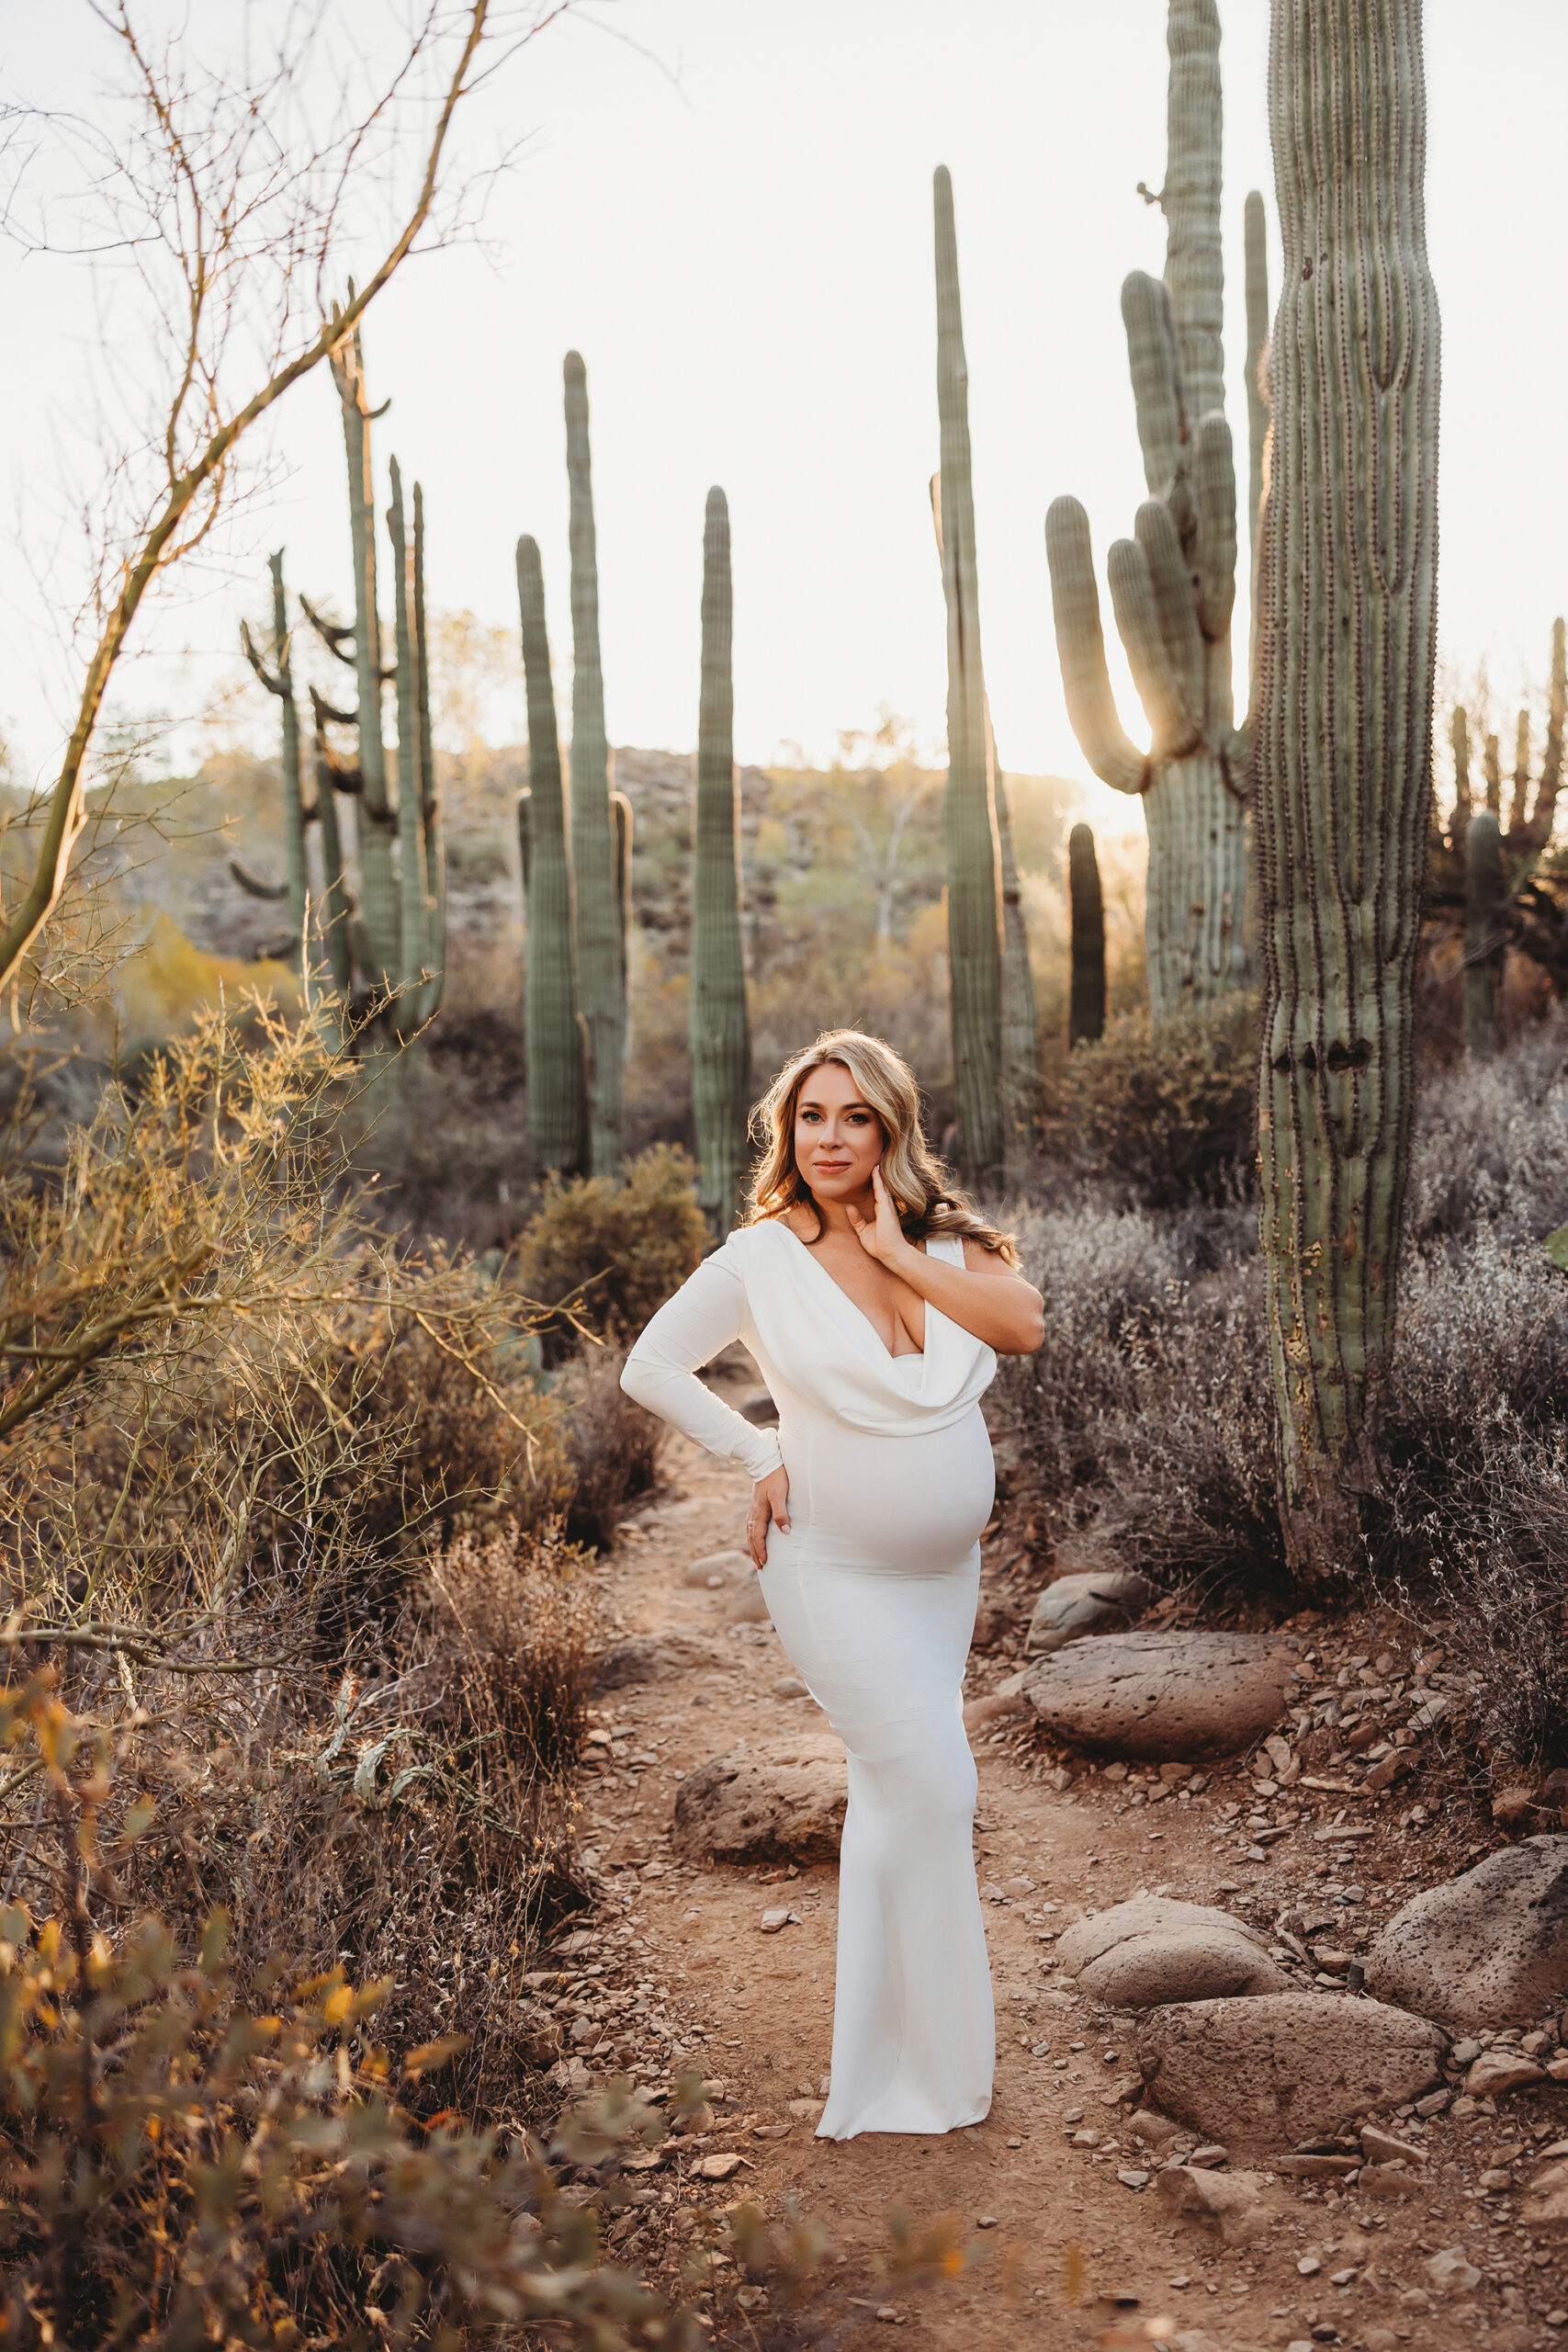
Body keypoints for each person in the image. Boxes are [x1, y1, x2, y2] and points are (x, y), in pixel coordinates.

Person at [620, 1029, 1043, 2141]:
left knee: (899, 1800)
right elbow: (649, 1365)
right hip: (832, 1567)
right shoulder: (758, 1256)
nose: (830, 1137)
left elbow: (1026, 1325)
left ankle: (903, 2070)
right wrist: (759, 1454)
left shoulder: (947, 1243)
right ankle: (917, 2071)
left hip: (942, 1574)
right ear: (785, 1129)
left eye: (855, 1117)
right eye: (812, 1116)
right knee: (937, 1786)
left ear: (891, 1129)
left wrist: (900, 1251)